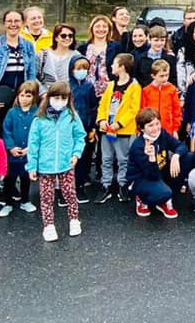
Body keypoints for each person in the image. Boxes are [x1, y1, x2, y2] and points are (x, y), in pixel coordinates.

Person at [26, 81, 86, 241]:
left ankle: (74, 220)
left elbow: (80, 136)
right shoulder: (39, 120)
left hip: (66, 164)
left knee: (70, 194)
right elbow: (33, 144)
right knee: (46, 197)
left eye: (63, 98)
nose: (60, 101)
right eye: (56, 97)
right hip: (45, 167)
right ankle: (49, 225)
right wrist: (32, 166)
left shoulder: (72, 117)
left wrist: (76, 154)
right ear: (49, 97)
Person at [94, 53, 141, 204]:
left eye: (114, 64)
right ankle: (105, 185)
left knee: (123, 159)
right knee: (106, 159)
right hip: (107, 129)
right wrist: (101, 120)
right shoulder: (110, 85)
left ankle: (123, 184)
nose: (111, 66)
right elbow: (103, 105)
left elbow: (133, 110)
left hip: (123, 131)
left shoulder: (134, 86)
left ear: (122, 67)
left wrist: (119, 123)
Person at [0, 9, 38, 125]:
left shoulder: (28, 45)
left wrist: (33, 95)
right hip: (0, 93)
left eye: (16, 21)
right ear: (4, 23)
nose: (13, 24)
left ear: (23, 23)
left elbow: (31, 72)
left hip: (22, 95)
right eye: (9, 21)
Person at [127, 107, 184, 219]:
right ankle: (143, 199)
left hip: (159, 172)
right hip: (142, 179)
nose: (156, 128)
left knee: (187, 158)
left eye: (157, 123)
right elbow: (152, 176)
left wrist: (176, 156)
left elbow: (180, 146)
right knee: (166, 192)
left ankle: (162, 199)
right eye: (150, 125)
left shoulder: (162, 133)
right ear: (142, 128)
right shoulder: (138, 146)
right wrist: (152, 158)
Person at [0, 81, 40, 218]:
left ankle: (25, 200)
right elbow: (6, 130)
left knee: (25, 178)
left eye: (28, 96)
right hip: (12, 154)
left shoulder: (37, 113)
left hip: (28, 154)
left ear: (34, 97)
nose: (24, 99)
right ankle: (8, 203)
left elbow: (38, 133)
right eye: (21, 95)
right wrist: (10, 147)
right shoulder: (11, 112)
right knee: (9, 179)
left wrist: (31, 148)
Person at [68, 56, 97, 202]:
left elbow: (93, 107)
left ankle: (79, 187)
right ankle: (66, 189)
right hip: (69, 129)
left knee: (84, 157)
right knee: (69, 158)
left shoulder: (89, 86)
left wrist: (92, 127)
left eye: (85, 69)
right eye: (78, 68)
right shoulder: (67, 86)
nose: (81, 71)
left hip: (85, 127)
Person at [76, 15, 121, 99]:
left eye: (104, 26)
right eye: (97, 26)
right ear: (92, 28)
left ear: (109, 30)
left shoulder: (116, 47)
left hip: (110, 91)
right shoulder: (83, 48)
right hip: (87, 91)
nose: (101, 29)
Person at [140, 60, 182, 137]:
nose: (165, 78)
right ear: (153, 76)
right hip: (150, 129)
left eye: (167, 75)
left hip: (168, 129)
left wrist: (175, 129)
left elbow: (176, 111)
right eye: (161, 76)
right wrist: (142, 128)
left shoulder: (172, 89)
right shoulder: (146, 90)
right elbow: (143, 111)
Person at [36, 23, 77, 94]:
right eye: (63, 36)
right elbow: (33, 76)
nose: (67, 38)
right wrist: (43, 93)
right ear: (56, 38)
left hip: (67, 96)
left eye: (70, 36)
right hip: (45, 96)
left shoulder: (76, 56)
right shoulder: (42, 54)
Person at [134, 25, 177, 93]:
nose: (159, 43)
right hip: (145, 95)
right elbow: (137, 77)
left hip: (164, 95)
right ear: (149, 39)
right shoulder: (140, 58)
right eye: (156, 40)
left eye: (162, 40)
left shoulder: (169, 58)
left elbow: (173, 79)